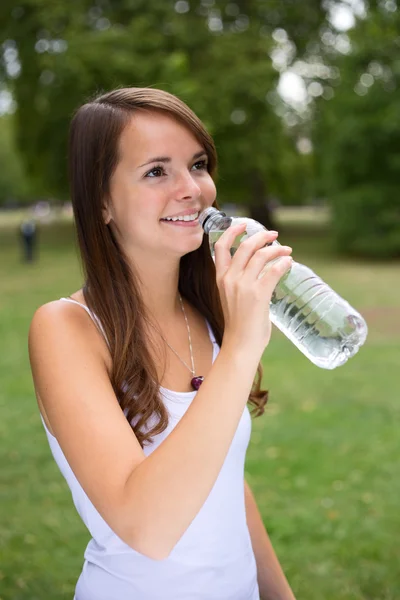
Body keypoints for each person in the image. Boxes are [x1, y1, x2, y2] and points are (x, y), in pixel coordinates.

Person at [28, 87, 295, 600]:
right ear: (102, 201)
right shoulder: (66, 328)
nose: (192, 188)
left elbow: (222, 482)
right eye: (156, 171)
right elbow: (146, 527)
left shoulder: (206, 313)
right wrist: (241, 346)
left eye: (197, 164)